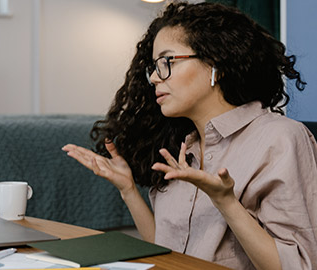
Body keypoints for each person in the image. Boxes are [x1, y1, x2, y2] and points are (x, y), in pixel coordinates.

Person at [62, 2, 317, 270]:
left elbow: (298, 266)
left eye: (167, 61)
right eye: (153, 67)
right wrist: (128, 190)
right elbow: (167, 254)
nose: (154, 79)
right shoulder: (179, 145)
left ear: (215, 62)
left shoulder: (280, 139)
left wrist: (226, 202)